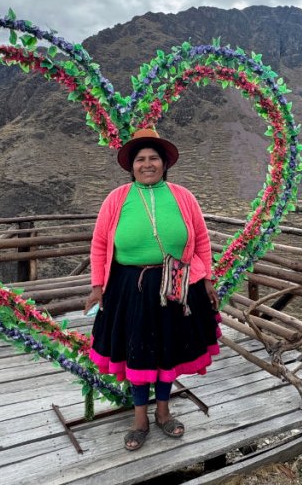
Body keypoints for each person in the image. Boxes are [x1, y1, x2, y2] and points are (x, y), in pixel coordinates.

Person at [84, 127, 221, 452]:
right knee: (138, 352)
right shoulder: (117, 198)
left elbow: (201, 239)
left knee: (167, 351)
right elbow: (100, 243)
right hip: (129, 288)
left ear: (164, 163)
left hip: (176, 283)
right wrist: (97, 285)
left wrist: (208, 279)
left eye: (153, 158)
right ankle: (139, 419)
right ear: (132, 166)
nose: (147, 164)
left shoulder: (183, 196)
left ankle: (163, 411)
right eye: (140, 159)